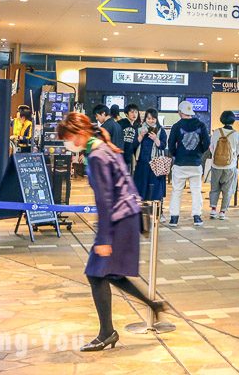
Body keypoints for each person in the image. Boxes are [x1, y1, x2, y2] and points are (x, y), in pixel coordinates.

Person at [56, 112, 166, 352]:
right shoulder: (104, 147)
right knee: (110, 274)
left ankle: (107, 332)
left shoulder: (97, 155)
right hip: (127, 216)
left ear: (80, 133)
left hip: (117, 221)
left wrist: (103, 238)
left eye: (68, 137)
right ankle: (152, 304)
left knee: (97, 275)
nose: (67, 143)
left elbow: (105, 199)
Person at [167, 100, 210, 228]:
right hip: (195, 164)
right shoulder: (201, 125)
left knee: (176, 191)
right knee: (196, 191)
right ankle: (197, 217)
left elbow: (171, 146)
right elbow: (206, 144)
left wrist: (177, 155)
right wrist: (199, 153)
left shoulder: (176, 126)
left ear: (180, 112)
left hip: (180, 163)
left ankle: (174, 218)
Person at [209, 110, 239, 220]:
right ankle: (222, 212)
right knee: (227, 190)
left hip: (216, 165)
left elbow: (211, 147)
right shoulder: (236, 135)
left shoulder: (216, 132)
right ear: (233, 121)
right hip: (230, 166)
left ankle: (213, 210)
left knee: (214, 188)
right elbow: (237, 152)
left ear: (222, 119)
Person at [131, 108, 168, 207]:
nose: (151, 121)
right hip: (142, 164)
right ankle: (140, 211)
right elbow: (133, 145)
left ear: (157, 119)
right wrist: (141, 136)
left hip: (156, 164)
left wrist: (156, 138)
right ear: (145, 119)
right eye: (149, 118)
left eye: (153, 118)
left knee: (156, 189)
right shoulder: (139, 130)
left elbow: (163, 146)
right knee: (141, 187)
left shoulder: (161, 131)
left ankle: (157, 211)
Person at [117, 104, 141, 173]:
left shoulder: (136, 126)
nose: (134, 114)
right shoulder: (120, 123)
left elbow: (134, 143)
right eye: (132, 112)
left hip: (129, 156)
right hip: (120, 156)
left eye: (136, 112)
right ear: (126, 114)